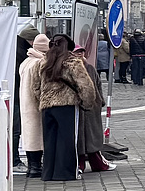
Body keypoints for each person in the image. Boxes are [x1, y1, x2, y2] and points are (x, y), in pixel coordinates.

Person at [35, 34, 100, 181]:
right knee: (68, 139)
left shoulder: (43, 62)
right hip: (67, 105)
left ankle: (48, 173)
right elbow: (85, 86)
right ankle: (65, 172)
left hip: (47, 106)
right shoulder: (73, 62)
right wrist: (87, 103)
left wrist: (43, 99)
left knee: (49, 140)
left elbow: (36, 86)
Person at [75, 44, 114, 173]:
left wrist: (100, 101)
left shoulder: (90, 68)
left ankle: (97, 163)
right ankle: (79, 164)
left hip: (92, 109)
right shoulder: (71, 69)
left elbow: (98, 85)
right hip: (78, 108)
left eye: (81, 52)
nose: (80, 55)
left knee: (92, 137)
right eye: (76, 52)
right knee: (79, 138)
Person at [17, 32, 49, 177]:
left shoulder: (26, 61)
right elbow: (40, 85)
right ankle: (36, 167)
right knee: (37, 135)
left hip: (25, 102)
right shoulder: (39, 62)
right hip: (35, 104)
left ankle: (32, 167)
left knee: (29, 135)